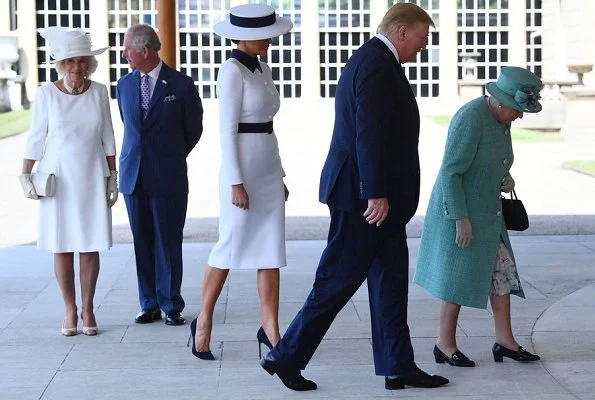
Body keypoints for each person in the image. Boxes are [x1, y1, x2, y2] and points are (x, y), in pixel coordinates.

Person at [260, 3, 448, 392]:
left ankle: (398, 365)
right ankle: (285, 355)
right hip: (364, 200)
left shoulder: (375, 60)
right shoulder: (377, 64)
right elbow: (370, 133)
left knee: (391, 284)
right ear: (401, 32)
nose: (422, 48)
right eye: (421, 39)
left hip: (380, 201)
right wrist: (374, 193)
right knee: (337, 280)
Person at [413, 66, 543, 367]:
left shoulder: (501, 119)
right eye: (518, 109)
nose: (520, 116)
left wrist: (505, 176)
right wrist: (460, 218)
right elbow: (451, 171)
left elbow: (488, 158)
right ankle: (444, 344)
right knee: (457, 280)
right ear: (498, 100)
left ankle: (505, 341)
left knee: (502, 274)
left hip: (489, 214)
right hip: (463, 213)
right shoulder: (471, 117)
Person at [190, 3, 293, 361]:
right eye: (261, 35)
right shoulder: (231, 71)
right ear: (242, 38)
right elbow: (226, 131)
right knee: (229, 246)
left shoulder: (264, 68)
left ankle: (271, 330)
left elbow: (268, 126)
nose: (268, 39)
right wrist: (236, 181)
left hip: (266, 167)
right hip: (242, 170)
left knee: (270, 250)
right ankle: (203, 321)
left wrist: (278, 175)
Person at [19, 26, 116, 337]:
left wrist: (113, 176)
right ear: (61, 65)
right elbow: (37, 138)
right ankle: (69, 308)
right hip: (58, 179)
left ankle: (88, 308)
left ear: (89, 64)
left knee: (90, 245)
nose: (77, 67)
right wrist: (26, 174)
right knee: (61, 245)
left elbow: (108, 136)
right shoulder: (46, 93)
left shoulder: (99, 91)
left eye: (83, 61)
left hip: (91, 175)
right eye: (71, 62)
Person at [117, 24, 203, 327]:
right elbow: (129, 125)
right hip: (133, 176)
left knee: (167, 241)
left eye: (127, 48)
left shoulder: (181, 85)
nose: (124, 53)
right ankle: (149, 303)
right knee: (142, 241)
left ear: (145, 51)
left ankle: (170, 304)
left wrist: (170, 156)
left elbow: (194, 130)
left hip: (168, 176)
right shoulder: (124, 85)